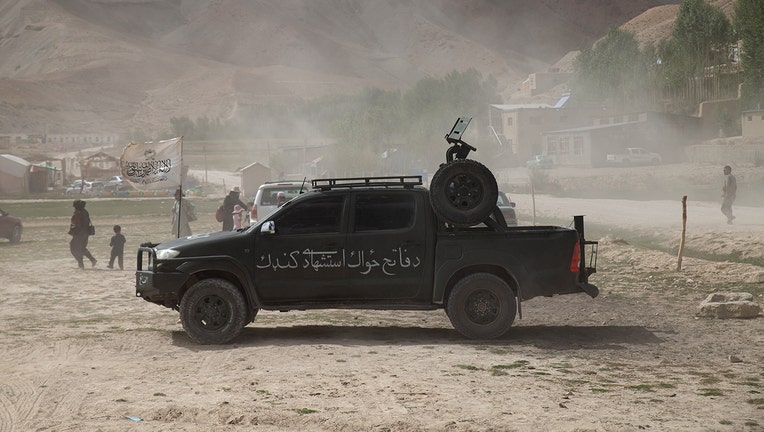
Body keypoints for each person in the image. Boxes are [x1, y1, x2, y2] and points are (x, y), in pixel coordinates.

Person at [68, 199, 96, 269]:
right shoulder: (85, 212)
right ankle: (92, 260)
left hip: (79, 233)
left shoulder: (77, 213)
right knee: (82, 248)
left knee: (73, 248)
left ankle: (81, 264)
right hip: (86, 233)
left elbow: (76, 224)